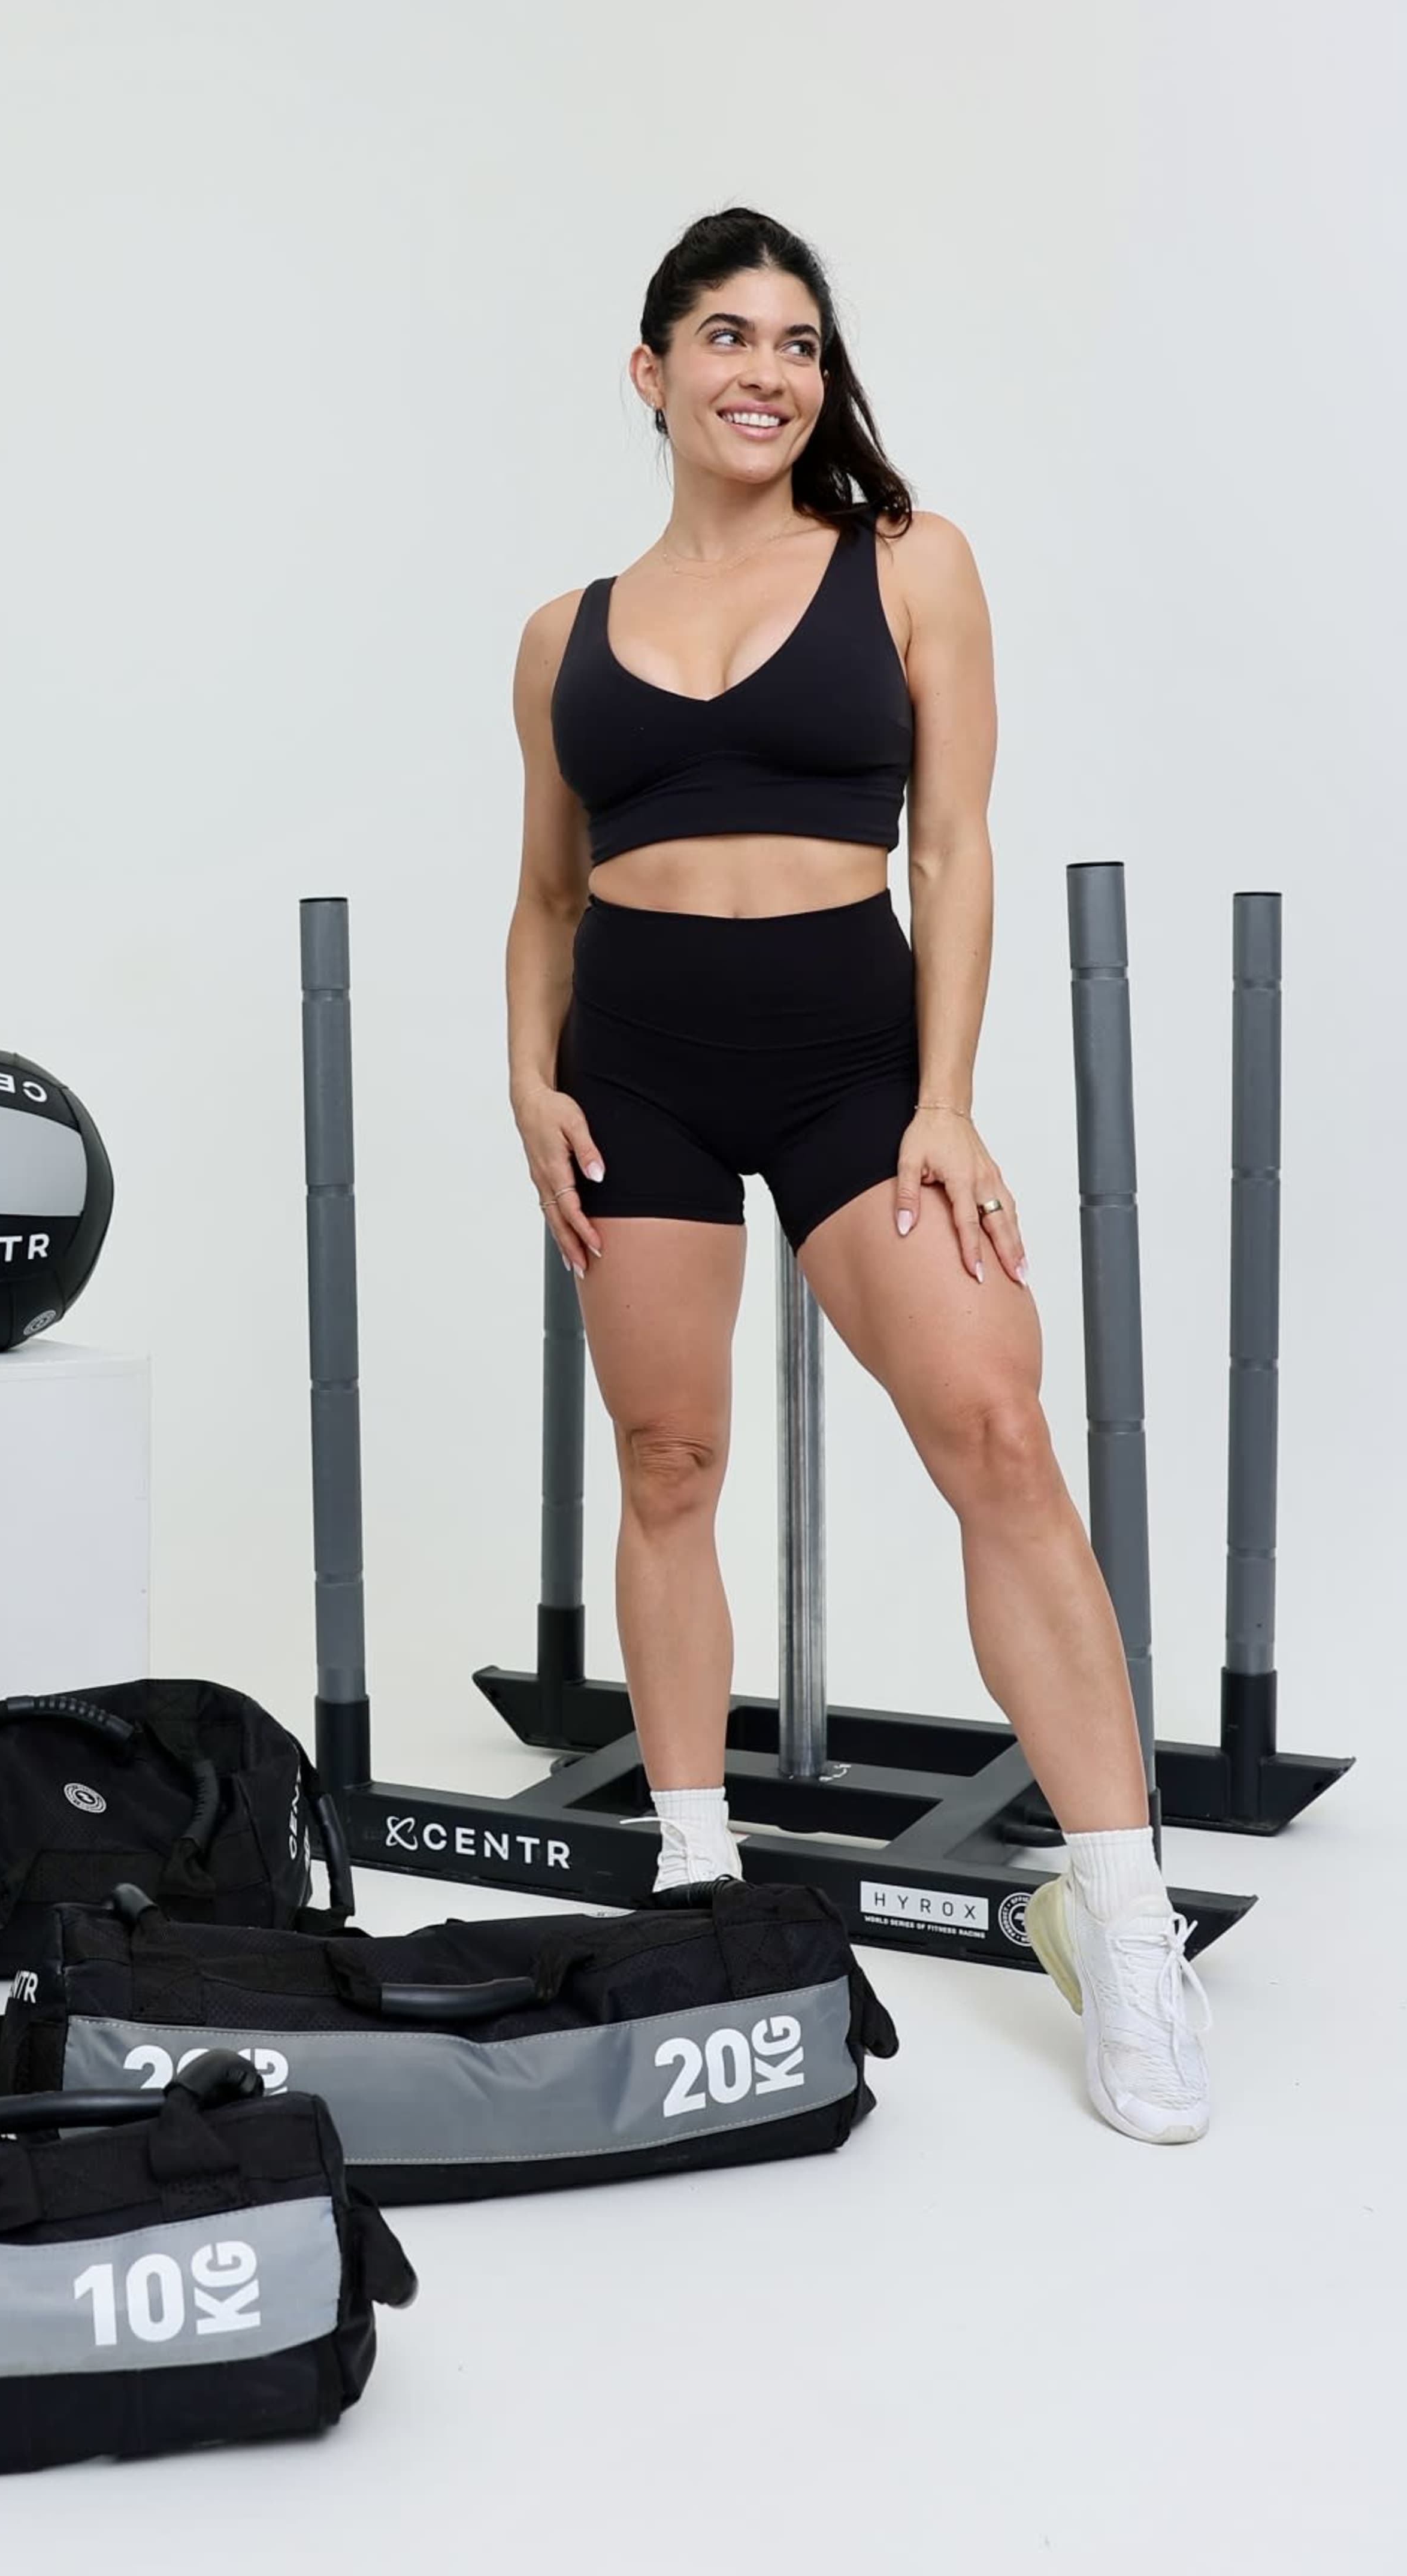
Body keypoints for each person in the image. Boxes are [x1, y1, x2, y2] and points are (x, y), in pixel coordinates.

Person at [504, 207, 1212, 2145]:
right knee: (668, 1462)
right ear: (650, 371)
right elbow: (547, 896)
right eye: (729, 337)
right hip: (635, 1078)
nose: (769, 373)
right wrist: (526, 1083)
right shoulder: (562, 636)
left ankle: (1122, 1920)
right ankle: (695, 1874)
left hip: (855, 1071)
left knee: (997, 1431)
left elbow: (957, 847)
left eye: (799, 343)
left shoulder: (910, 562)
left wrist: (947, 1100)